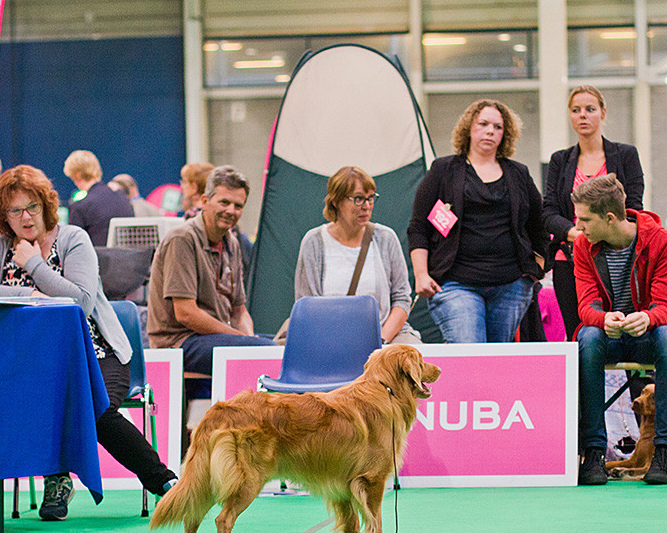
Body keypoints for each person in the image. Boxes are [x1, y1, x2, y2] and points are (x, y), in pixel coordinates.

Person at [0, 165, 177, 521]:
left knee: (97, 410)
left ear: (46, 206)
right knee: (38, 402)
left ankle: (165, 482)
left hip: (97, 352)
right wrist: (33, 293)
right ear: (4, 216)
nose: (26, 217)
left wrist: (33, 264)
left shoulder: (73, 238)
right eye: (15, 210)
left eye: (32, 207)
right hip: (34, 361)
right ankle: (58, 480)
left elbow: (80, 301)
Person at [571, 174, 667, 485]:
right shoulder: (583, 245)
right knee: (588, 337)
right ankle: (592, 451)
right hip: (608, 335)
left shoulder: (659, 239)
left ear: (609, 218)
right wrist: (602, 319)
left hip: (646, 335)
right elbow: (586, 307)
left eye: (585, 219)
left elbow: (665, 306)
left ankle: (664, 450)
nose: (579, 227)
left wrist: (647, 318)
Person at [407, 98, 548, 343]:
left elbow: (539, 224)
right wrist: (421, 274)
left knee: (496, 364)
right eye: (483, 124)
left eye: (498, 127)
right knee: (470, 353)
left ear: (505, 134)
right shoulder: (443, 170)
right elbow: (419, 226)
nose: (490, 131)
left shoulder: (519, 174)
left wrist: (537, 268)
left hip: (510, 286)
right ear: (469, 128)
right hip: (455, 284)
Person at [148, 165, 275, 376]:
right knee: (266, 351)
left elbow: (239, 310)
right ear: (205, 201)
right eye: (224, 202)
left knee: (281, 349)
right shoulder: (182, 239)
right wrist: (244, 342)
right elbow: (186, 314)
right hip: (178, 343)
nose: (231, 211)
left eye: (238, 205)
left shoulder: (232, 243)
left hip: (215, 339)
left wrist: (248, 340)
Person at [542, 85, 644, 340]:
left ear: (603, 113)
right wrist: (573, 233)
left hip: (618, 258)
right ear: (570, 116)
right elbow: (548, 212)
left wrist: (606, 234)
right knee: (578, 333)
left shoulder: (626, 155)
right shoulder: (560, 160)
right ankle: (581, 381)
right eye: (576, 110)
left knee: (623, 329)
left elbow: (634, 206)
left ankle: (636, 381)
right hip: (570, 258)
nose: (583, 116)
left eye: (590, 109)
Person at [295, 166, 420, 345]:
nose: (367, 206)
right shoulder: (314, 241)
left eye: (371, 198)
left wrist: (382, 340)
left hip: (385, 336)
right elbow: (307, 306)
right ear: (336, 201)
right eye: (359, 199)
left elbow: (402, 299)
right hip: (329, 340)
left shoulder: (386, 237)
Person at [63, 150, 134, 246]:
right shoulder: (122, 197)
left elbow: (75, 249)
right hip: (129, 259)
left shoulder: (80, 207)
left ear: (77, 175)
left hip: (98, 260)